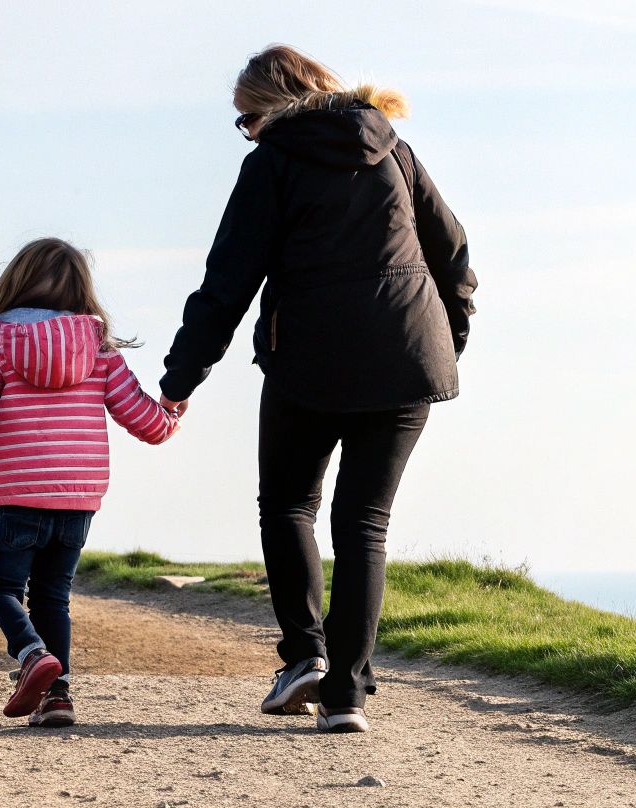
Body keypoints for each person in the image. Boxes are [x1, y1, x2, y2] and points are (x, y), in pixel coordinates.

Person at [157, 45, 477, 734]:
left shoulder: (272, 163)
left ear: (268, 107)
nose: (247, 132)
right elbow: (452, 251)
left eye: (246, 119)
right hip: (406, 361)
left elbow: (227, 285)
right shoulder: (396, 151)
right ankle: (348, 694)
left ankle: (304, 657)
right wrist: (448, 338)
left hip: (310, 362)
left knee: (289, 505)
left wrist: (181, 377)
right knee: (365, 525)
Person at [0, 238, 180, 727]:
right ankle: (58, 697)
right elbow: (142, 419)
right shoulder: (99, 348)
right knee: (53, 596)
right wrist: (170, 414)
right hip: (78, 497)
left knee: (3, 590)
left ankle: (31, 655)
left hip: (21, 494)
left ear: (16, 284)